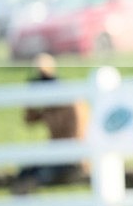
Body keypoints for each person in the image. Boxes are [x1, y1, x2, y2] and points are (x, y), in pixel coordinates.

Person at [11, 53, 90, 194]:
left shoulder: (71, 103)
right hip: (54, 156)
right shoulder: (51, 105)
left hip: (72, 160)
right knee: (25, 172)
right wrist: (29, 98)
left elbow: (77, 137)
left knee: (36, 176)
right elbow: (29, 120)